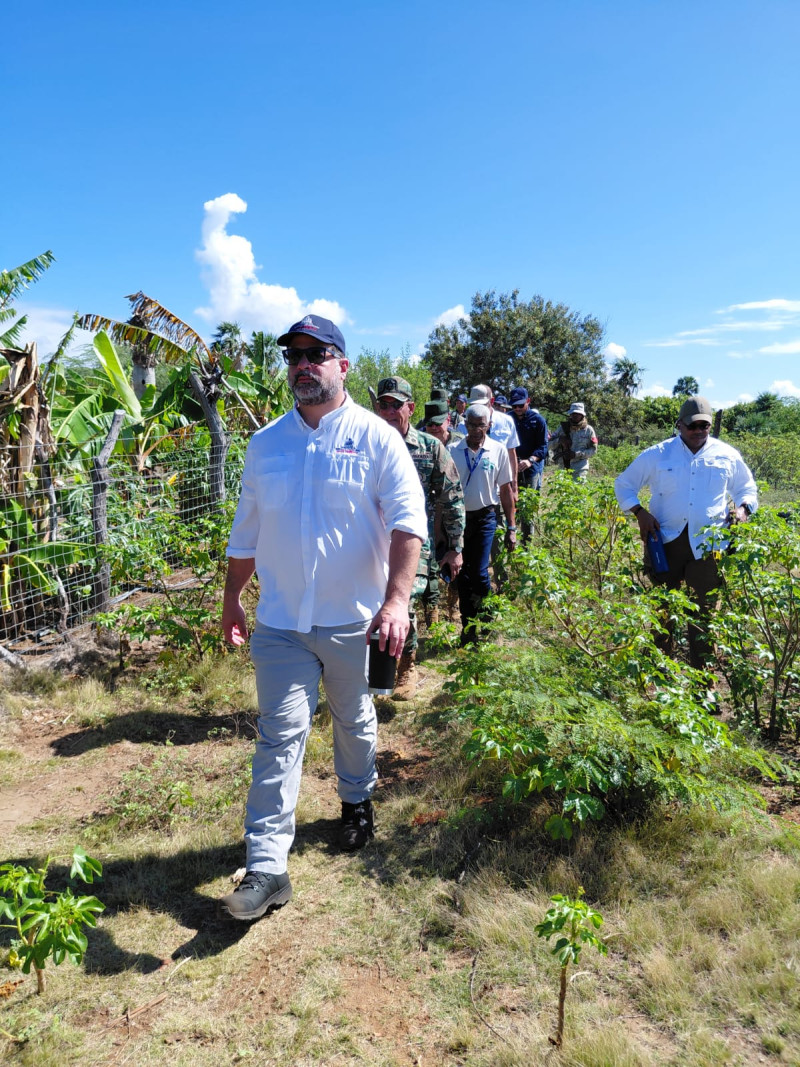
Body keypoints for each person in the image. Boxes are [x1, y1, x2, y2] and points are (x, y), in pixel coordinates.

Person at [219, 315, 427, 922]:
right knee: (279, 735)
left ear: (342, 365)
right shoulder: (267, 445)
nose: (302, 363)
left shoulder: (377, 437)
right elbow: (247, 532)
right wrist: (233, 598)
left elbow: (407, 522)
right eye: (294, 355)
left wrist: (396, 600)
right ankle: (266, 867)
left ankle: (357, 800)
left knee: (353, 717)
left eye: (316, 353)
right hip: (281, 621)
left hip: (351, 621)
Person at [614, 395, 758, 668]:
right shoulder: (658, 454)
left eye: (704, 426)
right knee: (663, 608)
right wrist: (639, 512)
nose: (698, 431)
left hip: (709, 545)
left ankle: (703, 682)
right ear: (679, 424)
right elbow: (624, 484)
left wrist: (743, 509)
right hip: (666, 541)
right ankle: (660, 673)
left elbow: (747, 488)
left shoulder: (726, 455)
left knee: (704, 614)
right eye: (692, 426)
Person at [375, 376, 465, 698]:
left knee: (403, 604)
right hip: (371, 542)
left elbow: (452, 497)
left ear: (410, 408)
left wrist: (454, 547)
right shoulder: (365, 443)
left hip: (415, 543)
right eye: (382, 404)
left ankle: (405, 668)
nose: (387, 411)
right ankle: (375, 674)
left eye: (395, 405)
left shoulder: (430, 448)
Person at [448, 404, 516, 644]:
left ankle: (486, 624)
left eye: (481, 424)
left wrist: (511, 527)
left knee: (478, 572)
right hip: (459, 519)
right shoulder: (453, 450)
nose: (476, 429)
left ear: (489, 425)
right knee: (463, 574)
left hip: (486, 516)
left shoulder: (497, 450)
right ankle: (467, 628)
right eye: (472, 424)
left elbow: (506, 490)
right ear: (464, 425)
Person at [509, 387, 549, 541]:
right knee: (511, 502)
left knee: (528, 505)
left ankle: (527, 542)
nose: (517, 409)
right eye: (514, 406)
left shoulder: (538, 420)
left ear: (528, 401)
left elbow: (543, 447)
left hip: (531, 468)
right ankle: (511, 536)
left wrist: (530, 460)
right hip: (512, 467)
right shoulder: (508, 418)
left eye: (520, 405)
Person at [548, 402, 598, 481]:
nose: (575, 416)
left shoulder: (589, 430)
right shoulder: (562, 429)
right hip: (563, 467)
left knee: (577, 491)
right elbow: (548, 445)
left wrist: (576, 454)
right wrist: (559, 440)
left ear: (582, 415)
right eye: (573, 413)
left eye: (578, 414)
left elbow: (593, 450)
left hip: (580, 467)